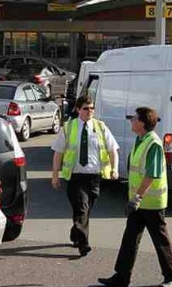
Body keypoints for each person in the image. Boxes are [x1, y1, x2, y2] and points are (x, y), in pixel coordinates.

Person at [98, 107, 172, 287]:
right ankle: (121, 277)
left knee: (160, 241)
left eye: (134, 119)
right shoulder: (140, 140)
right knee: (129, 239)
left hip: (151, 203)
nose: (131, 121)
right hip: (139, 202)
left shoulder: (154, 144)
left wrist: (137, 197)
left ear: (142, 123)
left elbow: (152, 174)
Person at [51, 95, 119, 257]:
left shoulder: (101, 127)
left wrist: (114, 168)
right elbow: (58, 153)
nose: (90, 111)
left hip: (94, 177)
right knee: (82, 208)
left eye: (92, 108)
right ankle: (84, 244)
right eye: (86, 108)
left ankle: (76, 234)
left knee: (84, 211)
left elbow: (112, 150)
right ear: (78, 109)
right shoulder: (68, 128)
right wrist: (55, 175)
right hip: (75, 177)